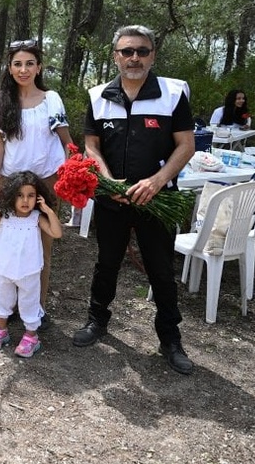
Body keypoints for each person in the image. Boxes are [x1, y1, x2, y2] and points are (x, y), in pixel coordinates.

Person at [71, 25, 196, 375]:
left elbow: (186, 145)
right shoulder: (98, 96)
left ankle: (170, 338)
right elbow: (92, 146)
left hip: (157, 199)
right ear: (116, 56)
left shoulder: (172, 93)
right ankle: (97, 320)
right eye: (127, 51)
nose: (134, 58)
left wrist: (157, 181)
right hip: (113, 200)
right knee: (106, 262)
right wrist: (107, 180)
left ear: (152, 55)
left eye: (142, 51)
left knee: (161, 269)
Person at [0, 40, 69, 329]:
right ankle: (4, 308)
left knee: (41, 247)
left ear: (39, 67)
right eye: (17, 64)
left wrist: (74, 175)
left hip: (45, 182)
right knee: (7, 245)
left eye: (29, 63)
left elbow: (66, 141)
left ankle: (35, 309)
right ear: (9, 68)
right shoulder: (0, 101)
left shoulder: (51, 99)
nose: (23, 69)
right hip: (10, 182)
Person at [0, 171, 63, 358]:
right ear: (11, 196)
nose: (25, 200)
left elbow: (56, 233)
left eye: (30, 195)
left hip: (29, 270)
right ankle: (0, 331)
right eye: (20, 195)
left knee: (29, 302)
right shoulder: (4, 214)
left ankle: (31, 337)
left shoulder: (36, 217)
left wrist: (49, 211)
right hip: (4, 268)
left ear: (38, 197)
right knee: (2, 299)